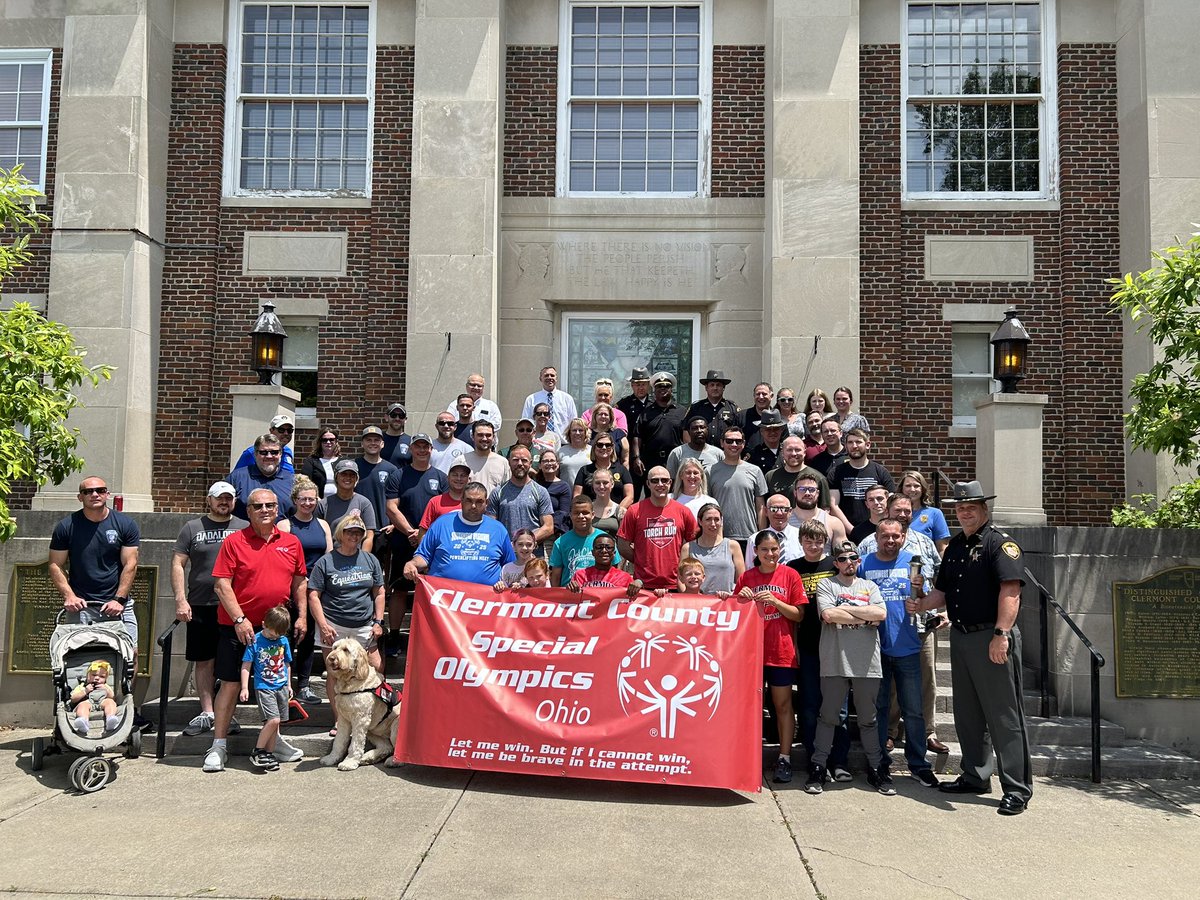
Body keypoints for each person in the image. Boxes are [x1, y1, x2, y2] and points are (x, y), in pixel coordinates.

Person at [911, 481, 1032, 815]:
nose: (964, 512)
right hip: (962, 637)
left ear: (984, 509)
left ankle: (1017, 788)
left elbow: (1011, 591)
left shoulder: (1000, 544)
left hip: (990, 637)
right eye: (960, 508)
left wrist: (1001, 634)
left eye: (971, 507)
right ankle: (976, 775)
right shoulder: (956, 548)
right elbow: (943, 594)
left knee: (1004, 716)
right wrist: (921, 605)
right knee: (968, 714)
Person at [205, 488, 307, 773]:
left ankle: (274, 743)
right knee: (231, 684)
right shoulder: (234, 542)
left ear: (278, 509)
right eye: (258, 505)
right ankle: (219, 745)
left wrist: (302, 617)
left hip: (276, 630)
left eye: (270, 505)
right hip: (236, 628)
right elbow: (221, 584)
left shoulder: (291, 542)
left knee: (276, 687)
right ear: (247, 511)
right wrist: (240, 619)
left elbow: (300, 582)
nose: (264, 510)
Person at [48, 476, 148, 730]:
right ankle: (75, 709)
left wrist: (119, 599)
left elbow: (130, 564)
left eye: (100, 490)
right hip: (82, 608)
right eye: (89, 491)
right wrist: (69, 596)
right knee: (75, 657)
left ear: (107, 494)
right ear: (80, 496)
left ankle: (123, 706)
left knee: (130, 655)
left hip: (117, 606)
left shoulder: (124, 524)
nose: (95, 494)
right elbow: (55, 565)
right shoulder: (67, 526)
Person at [857, 492, 946, 755]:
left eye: (896, 536)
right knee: (882, 704)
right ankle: (881, 756)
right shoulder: (865, 562)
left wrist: (923, 596)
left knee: (914, 706)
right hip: (877, 644)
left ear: (904, 536)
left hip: (910, 641)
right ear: (877, 537)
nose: (891, 540)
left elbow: (925, 596)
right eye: (885, 536)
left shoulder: (915, 564)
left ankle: (918, 760)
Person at [810, 541, 890, 795]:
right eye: (842, 559)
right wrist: (865, 615)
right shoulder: (827, 585)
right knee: (829, 717)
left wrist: (846, 610)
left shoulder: (870, 586)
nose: (848, 562)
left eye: (853, 558)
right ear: (836, 563)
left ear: (858, 561)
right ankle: (818, 768)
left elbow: (882, 614)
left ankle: (877, 769)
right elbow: (829, 616)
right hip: (835, 660)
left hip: (867, 663)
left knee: (868, 720)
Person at [172, 481, 248, 736]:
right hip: (201, 604)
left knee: (232, 662)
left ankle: (228, 714)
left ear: (234, 501)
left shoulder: (244, 528)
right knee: (203, 661)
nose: (223, 502)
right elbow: (177, 564)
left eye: (228, 498)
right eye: (219, 498)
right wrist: (181, 600)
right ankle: (207, 712)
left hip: (233, 607)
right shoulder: (192, 528)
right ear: (209, 500)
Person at [734, 529, 808, 784]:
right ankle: (746, 757)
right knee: (750, 708)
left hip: (780, 651)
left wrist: (776, 602)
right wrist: (740, 598)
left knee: (783, 706)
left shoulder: (790, 575)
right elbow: (734, 613)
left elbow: (798, 615)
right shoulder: (747, 577)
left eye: (774, 549)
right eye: (764, 549)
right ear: (755, 551)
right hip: (751, 653)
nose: (770, 554)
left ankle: (785, 758)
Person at [787, 519, 850, 783]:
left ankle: (839, 761)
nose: (813, 546)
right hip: (808, 646)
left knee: (839, 707)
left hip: (836, 646)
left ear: (825, 543)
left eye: (818, 541)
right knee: (810, 705)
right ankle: (816, 759)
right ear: (800, 542)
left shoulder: (834, 566)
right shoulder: (792, 569)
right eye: (808, 541)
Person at [383, 433, 446, 653]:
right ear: (411, 449)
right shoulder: (398, 475)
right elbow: (391, 507)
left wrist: (425, 537)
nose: (421, 450)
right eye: (417, 446)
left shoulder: (440, 477)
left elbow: (445, 510)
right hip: (404, 540)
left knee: (431, 590)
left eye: (425, 446)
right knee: (400, 589)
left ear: (431, 449)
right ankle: (393, 636)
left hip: (433, 545)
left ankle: (430, 636)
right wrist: (411, 531)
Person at [276, 475, 331, 705]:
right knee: (287, 638)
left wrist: (317, 581)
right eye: (303, 499)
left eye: (312, 499)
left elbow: (328, 556)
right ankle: (285, 686)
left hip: (316, 589)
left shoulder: (323, 524)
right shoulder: (285, 525)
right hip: (291, 588)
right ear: (295, 500)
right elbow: (279, 558)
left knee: (308, 638)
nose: (308, 503)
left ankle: (304, 686)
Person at [309, 514, 387, 675]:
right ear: (340, 534)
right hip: (333, 625)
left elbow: (379, 592)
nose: (354, 536)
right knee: (334, 672)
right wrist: (323, 626)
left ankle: (373, 701)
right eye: (349, 532)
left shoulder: (371, 560)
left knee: (375, 666)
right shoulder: (326, 561)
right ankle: (336, 702)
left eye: (358, 532)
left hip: (364, 624)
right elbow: (313, 596)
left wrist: (379, 621)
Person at [405, 482, 515, 586]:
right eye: (468, 500)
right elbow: (424, 556)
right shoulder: (441, 524)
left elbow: (510, 565)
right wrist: (412, 564)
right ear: (461, 501)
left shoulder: (498, 529)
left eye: (479, 501)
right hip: (442, 600)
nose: (473, 506)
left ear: (487, 503)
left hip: (485, 601)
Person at [617, 466, 699, 591]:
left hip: (676, 583)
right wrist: (641, 560)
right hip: (643, 585)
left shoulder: (683, 511)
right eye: (655, 481)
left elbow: (695, 544)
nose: (660, 484)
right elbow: (623, 545)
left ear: (670, 483)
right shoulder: (634, 510)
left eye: (664, 480)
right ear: (648, 484)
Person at [239, 605, 293, 771]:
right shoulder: (255, 641)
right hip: (264, 686)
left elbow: (287, 664)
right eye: (271, 633)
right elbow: (246, 665)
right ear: (264, 625)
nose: (274, 637)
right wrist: (244, 687)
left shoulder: (283, 641)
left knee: (276, 724)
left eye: (278, 634)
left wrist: (289, 684)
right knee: (273, 719)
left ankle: (268, 754)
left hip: (281, 685)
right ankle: (258, 751)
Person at [707, 427, 768, 546]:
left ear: (743, 444)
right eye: (729, 441)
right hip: (719, 537)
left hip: (749, 536)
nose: (734, 444)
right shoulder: (710, 471)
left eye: (738, 441)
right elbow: (706, 507)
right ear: (722, 443)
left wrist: (761, 535)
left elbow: (760, 507)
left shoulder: (755, 471)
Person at [486, 445, 554, 545]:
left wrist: (525, 542)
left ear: (530, 463)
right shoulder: (498, 492)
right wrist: (508, 545)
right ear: (509, 462)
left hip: (533, 557)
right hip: (506, 555)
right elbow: (490, 526)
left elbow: (548, 527)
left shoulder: (540, 491)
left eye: (524, 460)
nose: (520, 463)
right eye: (515, 460)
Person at [828, 428, 894, 530]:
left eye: (858, 442)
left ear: (867, 445)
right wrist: (852, 531)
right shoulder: (836, 473)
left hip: (877, 531)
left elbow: (891, 503)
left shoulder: (881, 472)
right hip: (846, 532)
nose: (854, 446)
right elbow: (833, 505)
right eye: (850, 442)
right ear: (846, 446)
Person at [550, 495, 622, 586]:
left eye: (585, 513)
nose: (581, 516)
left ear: (593, 515)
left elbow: (616, 570)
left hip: (601, 594)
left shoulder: (605, 540)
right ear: (571, 515)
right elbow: (556, 577)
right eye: (576, 513)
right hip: (570, 595)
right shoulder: (560, 542)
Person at [630, 372, 686, 483]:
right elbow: (637, 436)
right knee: (652, 494)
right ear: (654, 391)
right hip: (651, 461)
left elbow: (686, 437)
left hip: (675, 460)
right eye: (659, 387)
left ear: (671, 390)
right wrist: (636, 458)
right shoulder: (646, 413)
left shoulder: (682, 411)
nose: (663, 389)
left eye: (666, 386)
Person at [227, 434, 295, 520]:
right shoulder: (237, 478)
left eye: (274, 452)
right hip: (244, 532)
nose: (269, 456)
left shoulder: (292, 481)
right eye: (263, 452)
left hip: (281, 532)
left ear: (280, 454)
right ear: (255, 454)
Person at [682, 502, 744, 595]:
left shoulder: (733, 546)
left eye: (716, 519)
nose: (713, 524)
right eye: (708, 519)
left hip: (726, 604)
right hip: (697, 605)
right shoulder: (688, 547)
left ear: (721, 521)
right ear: (700, 521)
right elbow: (680, 579)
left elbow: (741, 580)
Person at [353, 427, 399, 542]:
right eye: (368, 440)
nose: (372, 443)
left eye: (376, 440)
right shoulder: (353, 467)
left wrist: (394, 524)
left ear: (382, 444)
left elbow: (398, 500)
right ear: (362, 443)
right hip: (356, 527)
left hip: (382, 530)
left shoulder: (391, 469)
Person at [318, 460, 377, 548]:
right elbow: (318, 534)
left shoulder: (364, 503)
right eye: (344, 474)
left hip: (356, 556)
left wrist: (363, 559)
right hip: (331, 554)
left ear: (357, 478)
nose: (348, 478)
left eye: (352, 475)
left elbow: (369, 536)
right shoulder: (324, 504)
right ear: (336, 477)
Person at [764, 435, 831, 511]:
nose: (793, 453)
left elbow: (825, 509)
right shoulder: (770, 477)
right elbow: (764, 508)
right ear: (782, 452)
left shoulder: (818, 478)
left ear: (805, 452)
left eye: (797, 450)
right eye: (789, 450)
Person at [615, 366, 653, 499]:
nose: (640, 388)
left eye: (643, 384)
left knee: (652, 494)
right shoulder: (623, 405)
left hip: (650, 455)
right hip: (630, 456)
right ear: (632, 385)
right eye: (637, 384)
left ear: (648, 385)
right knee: (632, 494)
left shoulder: (655, 404)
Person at [787, 473, 849, 552]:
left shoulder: (833, 523)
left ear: (818, 493)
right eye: (802, 489)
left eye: (812, 490)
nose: (807, 493)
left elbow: (843, 554)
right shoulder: (785, 520)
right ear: (795, 493)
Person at [573, 434, 633, 507]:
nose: (604, 448)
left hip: (616, 515)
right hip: (591, 514)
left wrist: (617, 511)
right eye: (600, 445)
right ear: (594, 447)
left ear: (612, 448)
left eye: (608, 445)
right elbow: (577, 496)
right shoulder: (584, 470)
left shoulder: (622, 469)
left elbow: (629, 496)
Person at [567, 533, 638, 595]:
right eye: (599, 547)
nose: (604, 551)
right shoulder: (580, 576)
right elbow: (573, 599)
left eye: (608, 548)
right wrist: (570, 589)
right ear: (592, 552)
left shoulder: (625, 578)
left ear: (614, 553)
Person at [901, 470, 951, 555]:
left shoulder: (935, 514)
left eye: (916, 486)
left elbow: (942, 548)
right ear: (901, 488)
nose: (912, 489)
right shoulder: (894, 513)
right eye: (908, 486)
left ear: (923, 489)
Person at [685, 369, 739, 447]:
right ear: (706, 388)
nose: (715, 388)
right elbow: (685, 431)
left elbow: (738, 431)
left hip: (725, 454)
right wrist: (692, 451)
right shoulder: (696, 407)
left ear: (723, 388)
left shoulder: (732, 408)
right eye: (712, 385)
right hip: (700, 454)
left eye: (718, 385)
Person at [521, 365, 577, 435]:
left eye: (552, 375)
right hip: (538, 442)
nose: (549, 378)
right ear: (540, 378)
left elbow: (574, 423)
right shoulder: (531, 399)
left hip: (562, 443)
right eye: (546, 375)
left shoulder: (567, 399)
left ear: (556, 378)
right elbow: (526, 422)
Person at [747, 494, 801, 567]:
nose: (779, 513)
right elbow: (749, 568)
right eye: (774, 509)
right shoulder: (754, 539)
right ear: (766, 511)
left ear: (790, 512)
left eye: (784, 509)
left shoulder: (800, 536)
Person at [419, 461, 472, 532]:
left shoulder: (474, 503)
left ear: (469, 480)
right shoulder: (435, 502)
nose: (459, 478)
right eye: (455, 475)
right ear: (448, 478)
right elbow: (423, 532)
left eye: (463, 475)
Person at [461, 420, 511, 494]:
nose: (484, 439)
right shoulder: (461, 461)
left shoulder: (503, 462)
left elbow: (507, 491)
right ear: (472, 436)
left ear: (493, 437)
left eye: (488, 435)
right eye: (480, 435)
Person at [534, 449, 572, 545]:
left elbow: (564, 514)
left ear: (557, 464)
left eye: (552, 460)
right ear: (540, 465)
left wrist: (547, 529)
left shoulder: (564, 486)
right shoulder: (534, 485)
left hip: (553, 534)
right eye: (545, 461)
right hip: (533, 529)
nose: (549, 463)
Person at [70, 660, 118, 736]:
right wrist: (85, 691)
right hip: (88, 703)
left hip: (102, 703)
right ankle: (83, 721)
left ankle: (111, 719)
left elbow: (112, 697)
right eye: (94, 675)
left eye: (102, 676)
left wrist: (107, 690)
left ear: (106, 679)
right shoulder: (82, 686)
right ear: (88, 676)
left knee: (110, 702)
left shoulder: (106, 687)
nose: (97, 678)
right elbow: (73, 699)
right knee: (82, 705)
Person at [299, 428, 342, 498]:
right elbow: (305, 482)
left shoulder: (343, 461)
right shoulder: (311, 461)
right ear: (320, 442)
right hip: (318, 502)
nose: (328, 442)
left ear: (336, 441)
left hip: (340, 502)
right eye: (325, 440)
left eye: (331, 439)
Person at [744, 408, 787, 474]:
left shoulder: (788, 451)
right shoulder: (754, 455)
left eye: (776, 429)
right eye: (768, 429)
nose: (772, 432)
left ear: (781, 430)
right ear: (761, 431)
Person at [588, 469, 624, 536]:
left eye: (605, 483)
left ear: (612, 484)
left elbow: (624, 538)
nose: (601, 487)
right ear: (593, 484)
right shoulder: (587, 509)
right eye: (597, 483)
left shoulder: (620, 511)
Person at [558, 418, 593, 488]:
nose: (577, 433)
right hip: (566, 494)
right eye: (574, 430)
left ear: (586, 432)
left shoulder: (592, 450)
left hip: (587, 495)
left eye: (580, 430)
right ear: (569, 432)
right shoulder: (561, 451)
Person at [740, 382, 774, 447]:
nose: (761, 397)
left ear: (771, 396)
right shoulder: (741, 416)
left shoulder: (779, 419)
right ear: (754, 396)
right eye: (758, 394)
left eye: (764, 394)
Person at [380, 402, 413, 467]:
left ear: (405, 419)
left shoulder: (411, 441)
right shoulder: (378, 440)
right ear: (386, 417)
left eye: (401, 416)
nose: (397, 419)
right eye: (393, 415)